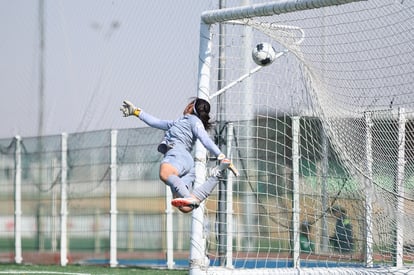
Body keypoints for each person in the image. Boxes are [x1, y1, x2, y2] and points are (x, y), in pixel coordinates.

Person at [120, 98, 238, 213]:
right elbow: (156, 122)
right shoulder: (180, 121)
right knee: (185, 207)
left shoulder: (193, 120)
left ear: (190, 106)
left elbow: (205, 139)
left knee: (165, 173)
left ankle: (191, 193)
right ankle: (216, 174)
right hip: (184, 162)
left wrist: (220, 155)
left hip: (178, 155)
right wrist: (136, 112)